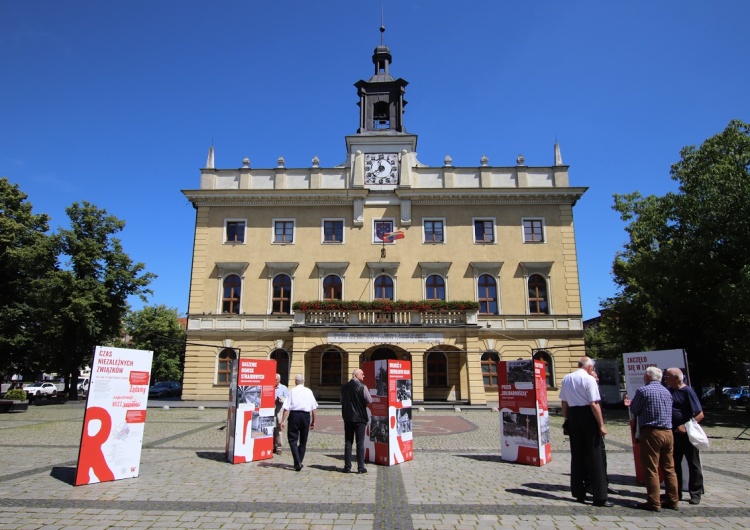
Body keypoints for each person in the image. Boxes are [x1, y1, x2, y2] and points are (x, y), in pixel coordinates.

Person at [559, 356, 613, 507]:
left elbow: (563, 402)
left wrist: (566, 418)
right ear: (589, 367)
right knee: (595, 455)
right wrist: (601, 425)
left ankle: (578, 492)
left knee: (577, 454)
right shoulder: (588, 379)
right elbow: (594, 403)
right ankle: (600, 496)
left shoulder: (567, 378)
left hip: (573, 415)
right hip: (587, 415)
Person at [626, 366, 679, 512]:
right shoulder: (667, 391)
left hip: (652, 432)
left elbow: (634, 409)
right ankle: (673, 500)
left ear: (648, 377)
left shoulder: (643, 391)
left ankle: (654, 502)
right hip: (668, 432)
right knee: (669, 468)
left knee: (651, 468)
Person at [666, 367, 704, 504]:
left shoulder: (687, 391)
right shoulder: (669, 391)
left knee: (693, 463)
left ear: (677, 378)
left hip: (686, 433)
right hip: (672, 433)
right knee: (674, 464)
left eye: (668, 377)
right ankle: (676, 492)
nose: (666, 379)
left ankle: (695, 493)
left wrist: (686, 426)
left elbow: (699, 414)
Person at [280, 374, 318, 471]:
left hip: (294, 416)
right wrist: (313, 421)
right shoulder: (309, 391)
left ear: (295, 381)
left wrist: (282, 421)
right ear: (303, 381)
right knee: (303, 440)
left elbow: (286, 407)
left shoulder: (292, 391)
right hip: (305, 416)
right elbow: (314, 408)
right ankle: (299, 461)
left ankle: (297, 462)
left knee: (292, 439)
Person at [341, 368, 373, 473]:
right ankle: (360, 467)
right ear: (356, 375)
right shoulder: (363, 387)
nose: (364, 376)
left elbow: (342, 400)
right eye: (362, 374)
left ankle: (347, 467)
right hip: (360, 418)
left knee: (348, 442)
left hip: (348, 417)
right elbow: (369, 400)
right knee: (360, 443)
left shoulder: (344, 387)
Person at [273, 374, 289, 455]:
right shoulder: (270, 387)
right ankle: (271, 446)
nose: (275, 381)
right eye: (274, 379)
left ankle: (279, 447)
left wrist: (280, 398)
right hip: (271, 410)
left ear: (279, 380)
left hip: (279, 410)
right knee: (271, 428)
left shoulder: (283, 388)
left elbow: (287, 400)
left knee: (279, 429)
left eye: (276, 379)